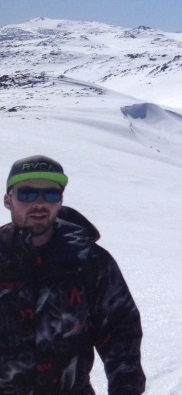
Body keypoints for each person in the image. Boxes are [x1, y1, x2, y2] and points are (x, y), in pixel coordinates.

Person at [0, 154, 146, 394]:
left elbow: (120, 330)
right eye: (26, 194)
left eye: (50, 194)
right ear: (8, 200)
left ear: (60, 201)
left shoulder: (90, 260)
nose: (39, 203)